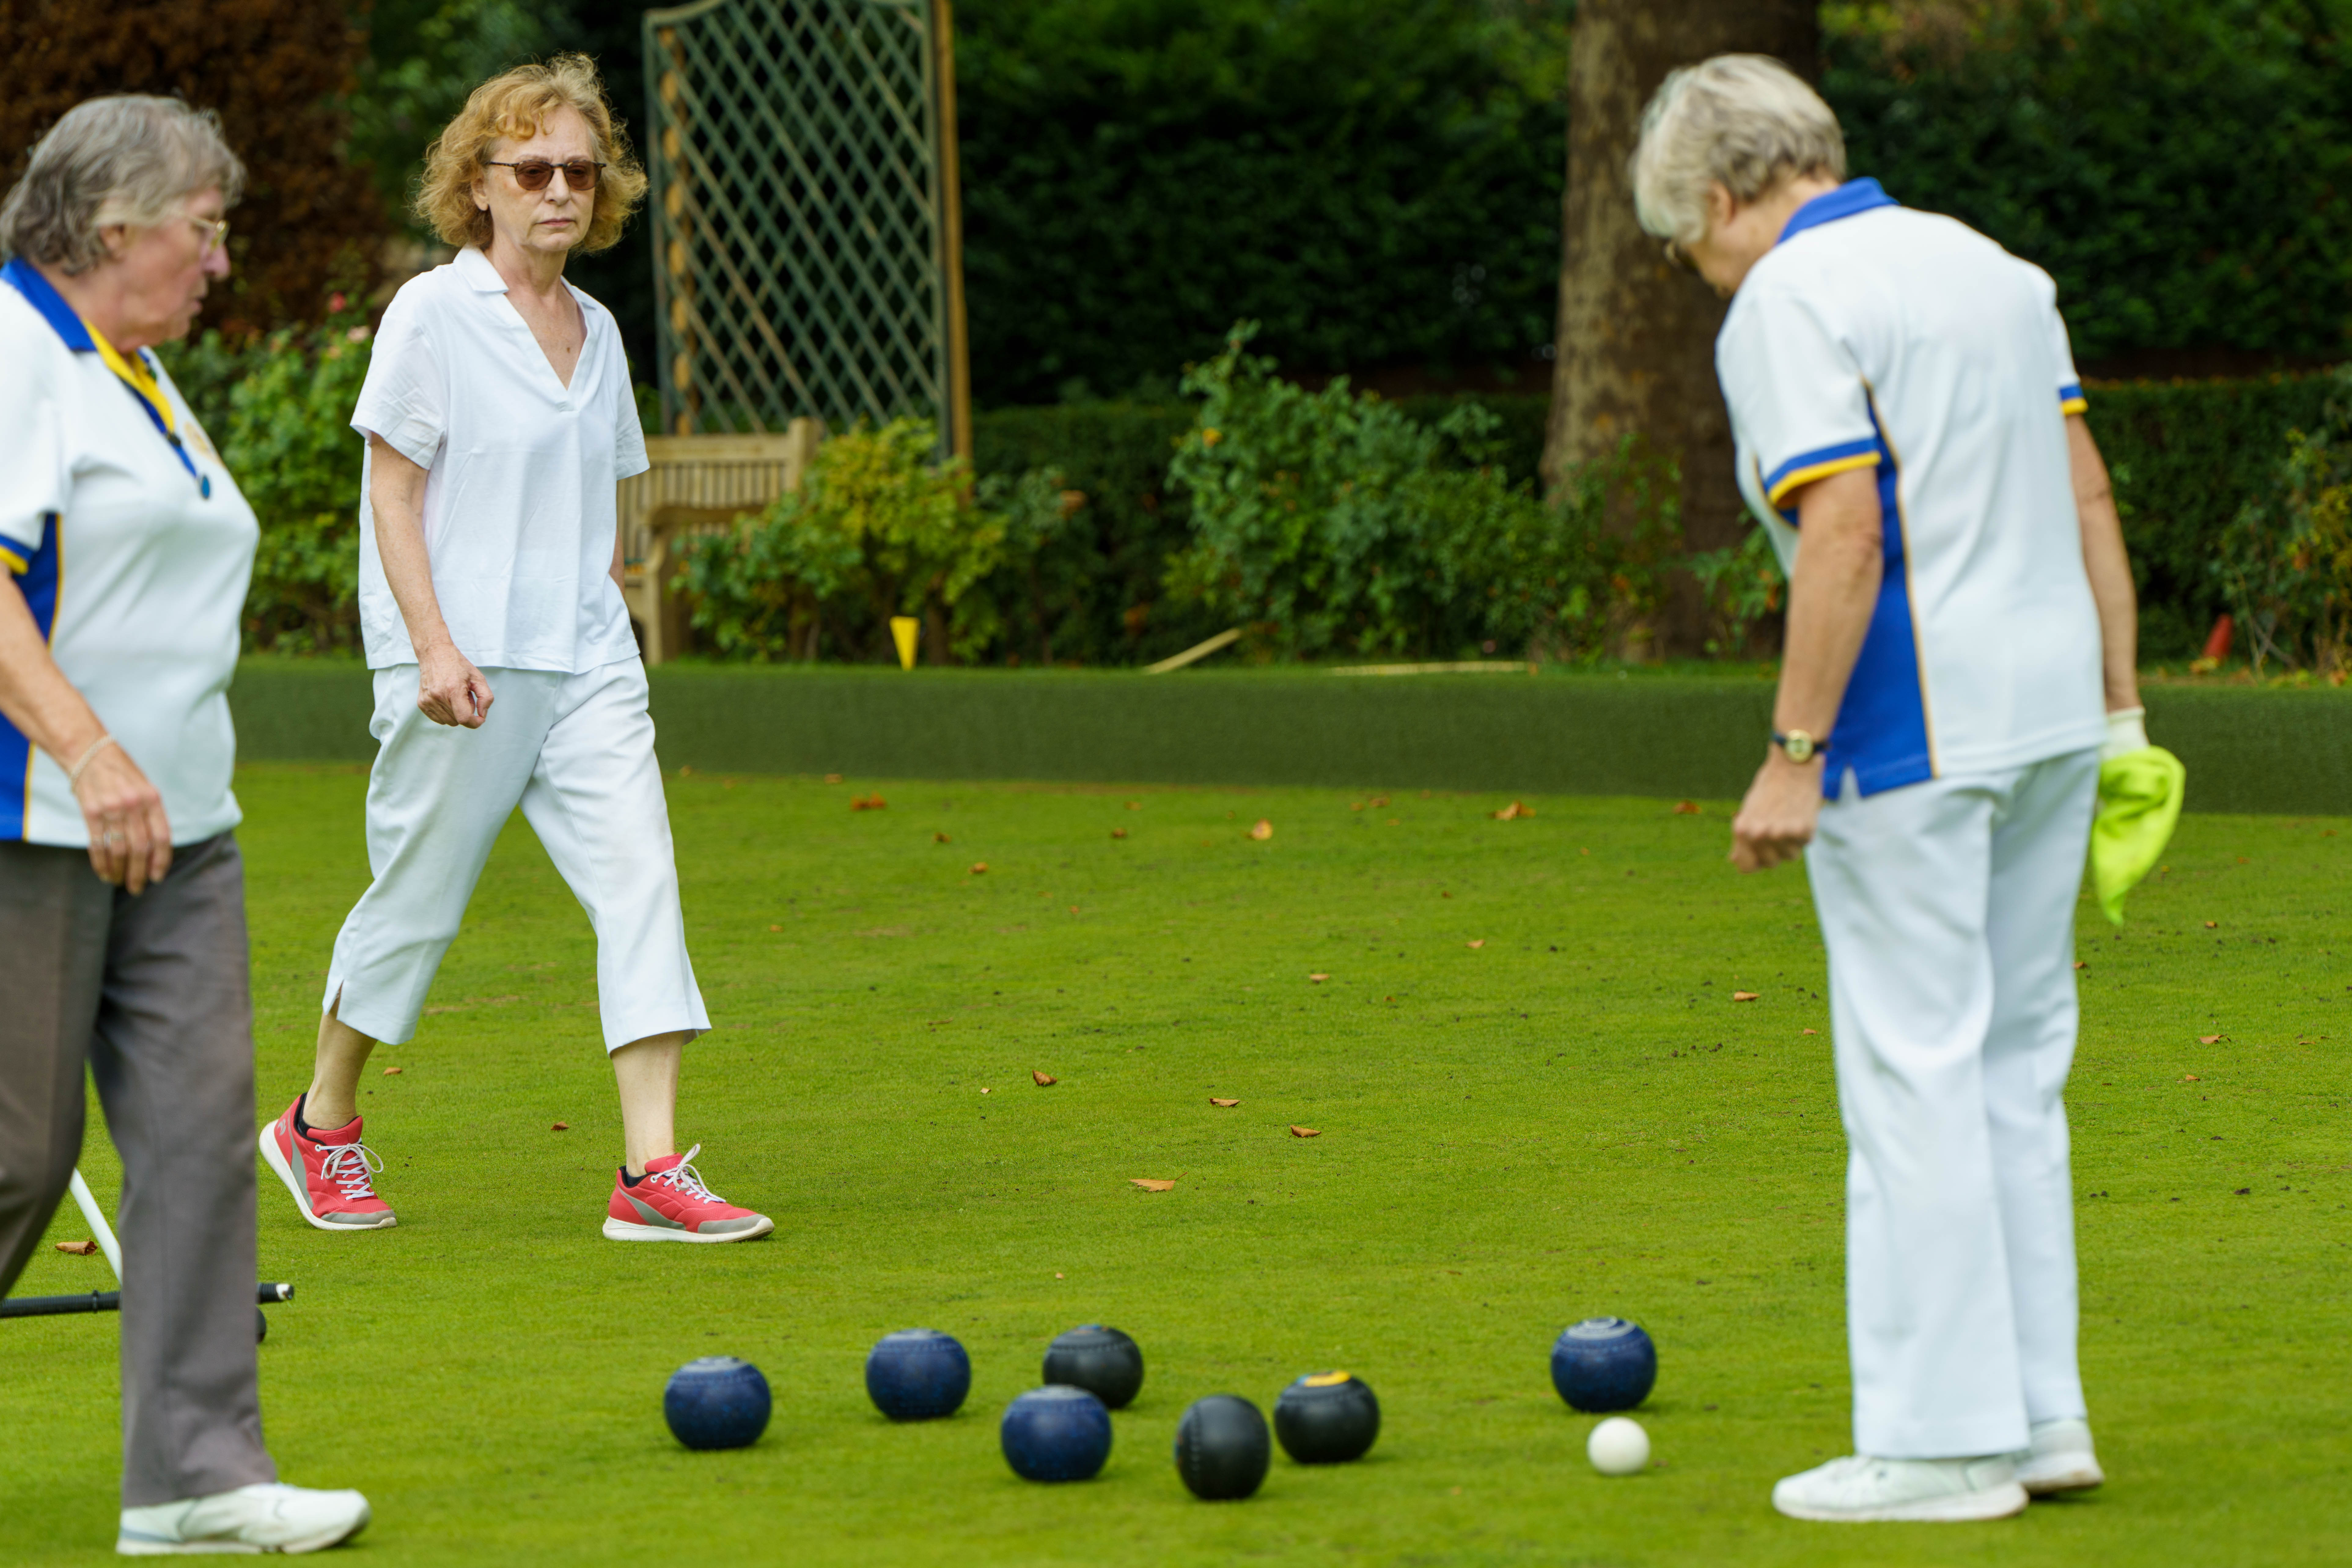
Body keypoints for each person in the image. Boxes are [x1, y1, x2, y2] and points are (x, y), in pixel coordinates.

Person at [1632, 56, 2145, 1522]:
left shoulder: (1790, 300)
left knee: (1912, 1069)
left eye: (1688, 246)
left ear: (1726, 199)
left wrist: (1792, 754)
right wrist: (2120, 713)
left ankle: (1935, 1448)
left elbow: (1845, 529)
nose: (1697, 275)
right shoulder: (1993, 266)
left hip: (1912, 737)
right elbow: (2088, 492)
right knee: (2008, 1069)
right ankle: (2041, 1418)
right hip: (2049, 720)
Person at [258, 56, 771, 1246]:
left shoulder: (596, 331)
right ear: (477, 184)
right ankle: (320, 1120)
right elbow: (392, 494)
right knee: (422, 900)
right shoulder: (433, 313)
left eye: (580, 172)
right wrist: (434, 647)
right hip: (458, 666)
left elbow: (607, 499)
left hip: (585, 657)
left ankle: (651, 1169)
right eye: (532, 168)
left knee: (642, 877)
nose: (559, 190)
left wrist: (608, 617)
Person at [0, 96, 370, 1554]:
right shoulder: (19, 350)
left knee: (202, 1142)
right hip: (36, 816)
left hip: (183, 828)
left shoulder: (134, 371)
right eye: (203, 233)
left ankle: (197, 1476)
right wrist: (90, 753)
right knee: (19, 1156)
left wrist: (148, 777)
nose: (221, 263)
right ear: (112, 228)